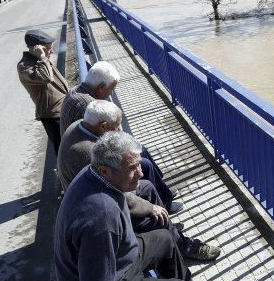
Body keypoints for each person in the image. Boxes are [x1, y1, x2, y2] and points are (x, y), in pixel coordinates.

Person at [54, 131, 244, 281]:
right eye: (133, 168)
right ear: (105, 170)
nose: (141, 173)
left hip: (119, 260)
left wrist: (151, 206)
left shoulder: (94, 173)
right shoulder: (101, 217)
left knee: (164, 239)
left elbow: (127, 199)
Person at [57, 101, 220, 260]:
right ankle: (184, 246)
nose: (120, 129)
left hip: (100, 191)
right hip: (100, 210)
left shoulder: (81, 125)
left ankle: (168, 223)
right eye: (118, 126)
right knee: (153, 217)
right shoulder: (89, 153)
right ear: (104, 127)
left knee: (147, 184)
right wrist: (150, 207)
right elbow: (119, 195)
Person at [60, 59, 176, 205]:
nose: (110, 95)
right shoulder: (88, 107)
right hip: (92, 197)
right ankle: (162, 202)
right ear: (101, 87)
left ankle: (163, 193)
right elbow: (108, 181)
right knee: (143, 164)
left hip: (90, 160)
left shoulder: (77, 92)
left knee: (140, 152)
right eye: (111, 89)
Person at [17, 29, 69, 155]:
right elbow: (47, 77)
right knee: (63, 150)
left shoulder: (40, 61)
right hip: (52, 115)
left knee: (69, 146)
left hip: (62, 109)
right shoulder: (25, 66)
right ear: (36, 48)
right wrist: (42, 56)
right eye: (48, 48)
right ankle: (63, 174)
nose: (51, 51)